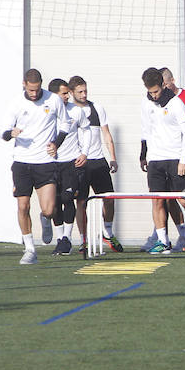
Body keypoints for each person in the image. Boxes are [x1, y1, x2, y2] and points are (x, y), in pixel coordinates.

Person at [1, 69, 70, 265]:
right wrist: (10, 133)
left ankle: (45, 218)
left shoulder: (53, 100)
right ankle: (30, 249)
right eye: (31, 90)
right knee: (23, 206)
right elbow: (3, 131)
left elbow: (65, 124)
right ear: (24, 84)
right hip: (22, 162)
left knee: (49, 209)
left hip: (45, 162)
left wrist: (56, 142)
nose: (34, 94)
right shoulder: (16, 104)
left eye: (37, 89)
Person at [140, 67, 185, 254]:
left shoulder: (176, 104)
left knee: (184, 200)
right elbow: (145, 131)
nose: (153, 95)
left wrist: (183, 160)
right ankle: (163, 241)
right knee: (158, 200)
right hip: (155, 159)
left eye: (156, 91)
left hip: (175, 158)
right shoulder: (146, 104)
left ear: (163, 84)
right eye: (150, 92)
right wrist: (143, 155)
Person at [69, 76, 121, 258]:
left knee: (109, 198)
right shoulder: (69, 111)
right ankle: (83, 240)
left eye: (85, 91)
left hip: (98, 160)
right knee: (81, 202)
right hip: (79, 163)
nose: (84, 95)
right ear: (71, 93)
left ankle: (107, 232)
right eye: (80, 92)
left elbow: (106, 135)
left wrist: (112, 158)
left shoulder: (97, 108)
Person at [47, 78, 91, 256]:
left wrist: (84, 153)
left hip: (70, 161)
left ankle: (67, 237)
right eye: (64, 93)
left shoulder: (76, 112)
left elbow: (86, 129)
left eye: (67, 93)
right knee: (55, 202)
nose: (67, 96)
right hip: (50, 163)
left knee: (67, 198)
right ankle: (59, 239)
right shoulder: (47, 112)